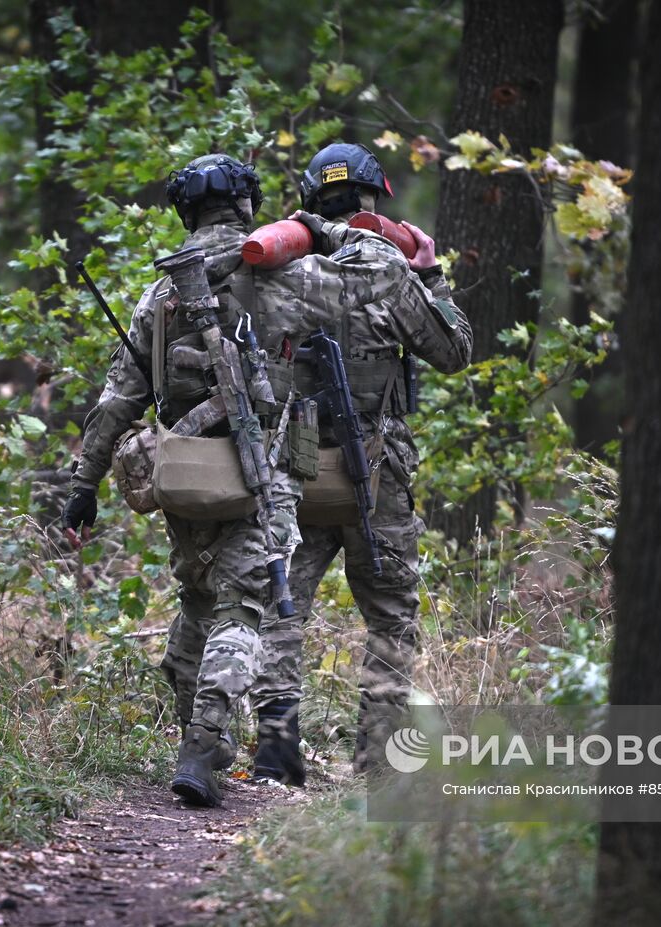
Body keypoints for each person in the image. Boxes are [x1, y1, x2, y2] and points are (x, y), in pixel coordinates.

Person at [62, 153, 426, 806]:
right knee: (243, 610)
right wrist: (334, 229)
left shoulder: (160, 294)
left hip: (183, 477)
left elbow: (117, 399)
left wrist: (82, 485)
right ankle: (205, 745)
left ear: (185, 211)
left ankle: (193, 734)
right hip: (263, 480)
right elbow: (381, 289)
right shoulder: (296, 276)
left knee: (200, 602)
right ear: (249, 205)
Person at [249, 142, 472, 783]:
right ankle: (379, 763)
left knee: (283, 600)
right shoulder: (391, 271)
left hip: (295, 459)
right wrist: (430, 273)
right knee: (391, 616)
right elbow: (454, 350)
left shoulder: (284, 269)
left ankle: (275, 748)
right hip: (378, 470)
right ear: (375, 197)